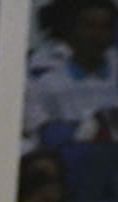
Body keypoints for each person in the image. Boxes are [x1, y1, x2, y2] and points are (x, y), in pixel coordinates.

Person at [24, 0, 117, 136]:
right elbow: (41, 130)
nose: (97, 35)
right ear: (71, 31)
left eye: (105, 27)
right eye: (89, 26)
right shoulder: (47, 83)